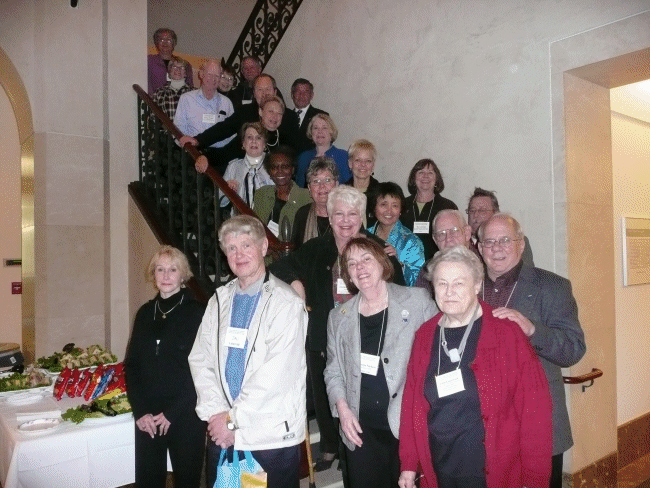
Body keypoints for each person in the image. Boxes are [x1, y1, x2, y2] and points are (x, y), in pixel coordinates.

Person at [270, 186, 405, 473]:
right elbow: (280, 267)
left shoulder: (378, 249)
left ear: (362, 217)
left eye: (353, 214)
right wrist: (296, 282)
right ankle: (331, 446)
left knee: (362, 402)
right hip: (324, 339)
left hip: (371, 343)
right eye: (339, 214)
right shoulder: (316, 248)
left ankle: (354, 454)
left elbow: (400, 287)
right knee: (326, 397)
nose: (345, 220)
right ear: (329, 217)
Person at [399, 245, 553, 488]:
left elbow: (535, 413)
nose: (449, 292)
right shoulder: (425, 335)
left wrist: (534, 480)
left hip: (492, 471)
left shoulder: (506, 333)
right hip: (439, 467)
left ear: (477, 285)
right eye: (441, 283)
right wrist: (409, 463)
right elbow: (411, 404)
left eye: (459, 283)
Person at [188, 215, 308, 488]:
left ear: (264, 248)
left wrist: (232, 421)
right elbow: (200, 358)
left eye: (246, 245)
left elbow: (277, 373)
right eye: (231, 248)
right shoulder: (218, 300)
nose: (238, 254)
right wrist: (217, 413)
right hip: (223, 433)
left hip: (269, 437)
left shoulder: (286, 302)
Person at [477, 213, 586, 488]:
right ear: (479, 248)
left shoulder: (552, 287)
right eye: (489, 242)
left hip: (537, 424)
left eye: (505, 240)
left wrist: (532, 329)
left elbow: (573, 349)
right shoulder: (467, 287)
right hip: (483, 425)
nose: (497, 248)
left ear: (521, 244)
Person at [324, 237, 437, 488]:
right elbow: (332, 370)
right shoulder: (338, 317)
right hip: (360, 428)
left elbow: (437, 356)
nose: (360, 268)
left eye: (366, 259)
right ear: (348, 275)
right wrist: (341, 409)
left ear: (382, 262)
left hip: (407, 425)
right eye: (352, 264)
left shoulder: (417, 301)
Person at [125, 245, 206, 488]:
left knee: (187, 482)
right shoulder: (145, 313)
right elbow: (132, 365)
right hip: (148, 415)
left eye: (173, 270)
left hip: (185, 413)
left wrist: (172, 412)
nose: (166, 275)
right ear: (154, 275)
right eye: (160, 269)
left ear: (183, 275)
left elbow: (202, 370)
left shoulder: (197, 313)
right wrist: (140, 411)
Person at [185, 76, 301, 173]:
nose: (265, 94)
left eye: (268, 89)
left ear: (275, 91)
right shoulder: (245, 112)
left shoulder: (288, 116)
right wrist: (198, 141)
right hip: (242, 169)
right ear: (254, 93)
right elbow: (223, 130)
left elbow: (294, 150)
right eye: (260, 89)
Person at [174, 59, 235, 172]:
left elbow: (232, 136)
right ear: (201, 74)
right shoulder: (187, 99)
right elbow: (178, 131)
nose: (213, 79)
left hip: (219, 160)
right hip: (193, 157)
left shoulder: (227, 103)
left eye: (217, 76)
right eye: (209, 74)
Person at [367, 182, 425, 286]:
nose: (389, 211)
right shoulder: (365, 235)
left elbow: (419, 282)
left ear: (400, 210)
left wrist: (398, 264)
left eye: (395, 205)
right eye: (383, 204)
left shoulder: (412, 241)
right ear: (374, 207)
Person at [401, 159, 458, 261]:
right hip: (406, 263)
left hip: (439, 263)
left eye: (430, 173)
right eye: (421, 172)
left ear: (436, 179)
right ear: (414, 178)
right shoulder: (402, 204)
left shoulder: (448, 206)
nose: (425, 176)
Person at [253, 145, 312, 239]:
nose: (280, 171)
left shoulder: (307, 197)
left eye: (285, 166)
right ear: (269, 171)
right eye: (274, 167)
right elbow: (254, 229)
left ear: (292, 169)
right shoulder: (261, 194)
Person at [466, 187, 534, 265]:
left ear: (495, 213)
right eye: (472, 210)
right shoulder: (462, 244)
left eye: (482, 211)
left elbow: (526, 273)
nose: (475, 215)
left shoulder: (516, 242)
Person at [414, 209, 473, 295]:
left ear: (467, 233)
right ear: (435, 240)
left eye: (454, 231)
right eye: (441, 234)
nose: (448, 238)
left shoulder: (485, 263)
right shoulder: (427, 270)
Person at [219, 122, 273, 212]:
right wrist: (228, 191)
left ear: (265, 144)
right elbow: (220, 202)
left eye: (258, 138)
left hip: (266, 222)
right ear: (243, 143)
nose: (254, 141)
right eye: (249, 137)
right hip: (240, 221)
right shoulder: (233, 167)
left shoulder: (274, 166)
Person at [291, 157, 339, 249]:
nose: (322, 186)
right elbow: (295, 252)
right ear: (309, 188)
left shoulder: (347, 214)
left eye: (327, 180)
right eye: (316, 181)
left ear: (336, 184)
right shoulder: (302, 214)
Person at [295, 113, 351, 187]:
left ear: (331, 132)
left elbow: (349, 187)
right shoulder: (303, 158)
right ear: (311, 132)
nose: (320, 131)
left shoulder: (343, 156)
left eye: (324, 128)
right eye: (315, 128)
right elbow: (300, 187)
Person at [345, 139, 381, 226]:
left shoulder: (382, 193)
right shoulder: (341, 192)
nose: (363, 164)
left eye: (368, 161)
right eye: (358, 160)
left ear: (373, 165)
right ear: (350, 163)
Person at [148, 28, 193, 95]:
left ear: (174, 43)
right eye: (161, 39)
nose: (165, 42)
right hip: (154, 102)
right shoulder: (149, 61)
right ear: (156, 43)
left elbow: (189, 89)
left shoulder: (184, 64)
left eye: (169, 40)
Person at [291, 78, 328, 154]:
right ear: (292, 94)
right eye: (298, 92)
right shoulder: (285, 115)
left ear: (312, 95)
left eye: (306, 92)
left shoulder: (321, 116)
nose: (301, 96)